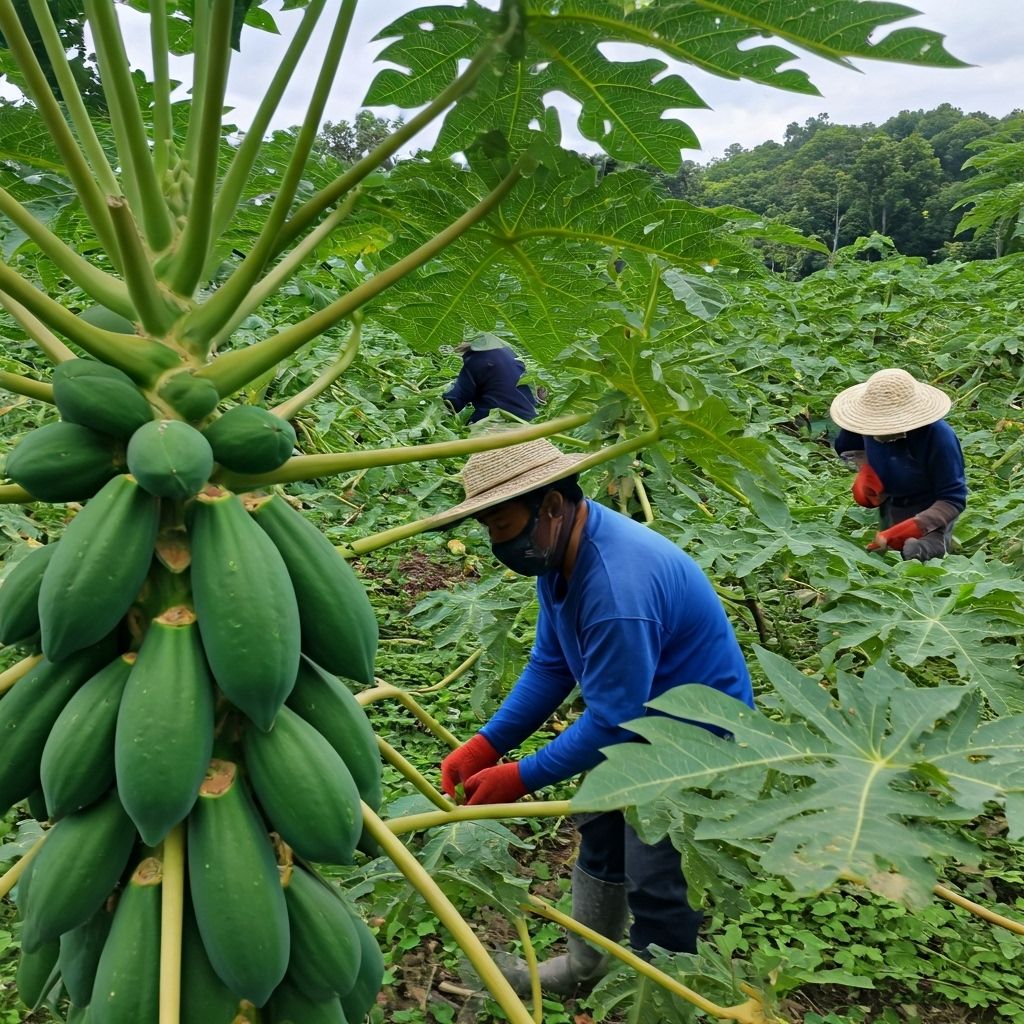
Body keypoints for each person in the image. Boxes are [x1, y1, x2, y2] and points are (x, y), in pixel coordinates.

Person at [430, 438, 754, 995]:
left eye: (501, 523)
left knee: (657, 873)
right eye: (487, 527)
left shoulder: (615, 585)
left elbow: (610, 717)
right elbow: (551, 666)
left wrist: (520, 776)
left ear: (551, 505)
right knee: (601, 829)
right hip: (636, 723)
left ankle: (662, 992)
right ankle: (587, 969)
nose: (496, 541)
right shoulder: (558, 554)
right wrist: (489, 742)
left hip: (695, 739)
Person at [830, 368, 967, 562]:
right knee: (885, 551)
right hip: (892, 498)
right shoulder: (861, 427)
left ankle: (937, 542)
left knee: (918, 552)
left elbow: (952, 499)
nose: (879, 433)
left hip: (930, 503)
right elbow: (848, 448)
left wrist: (918, 525)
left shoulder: (939, 438)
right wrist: (866, 470)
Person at [443, 333, 538, 424]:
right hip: (529, 421)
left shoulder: (476, 359)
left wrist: (440, 399)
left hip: (496, 422)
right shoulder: (509, 351)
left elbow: (456, 400)